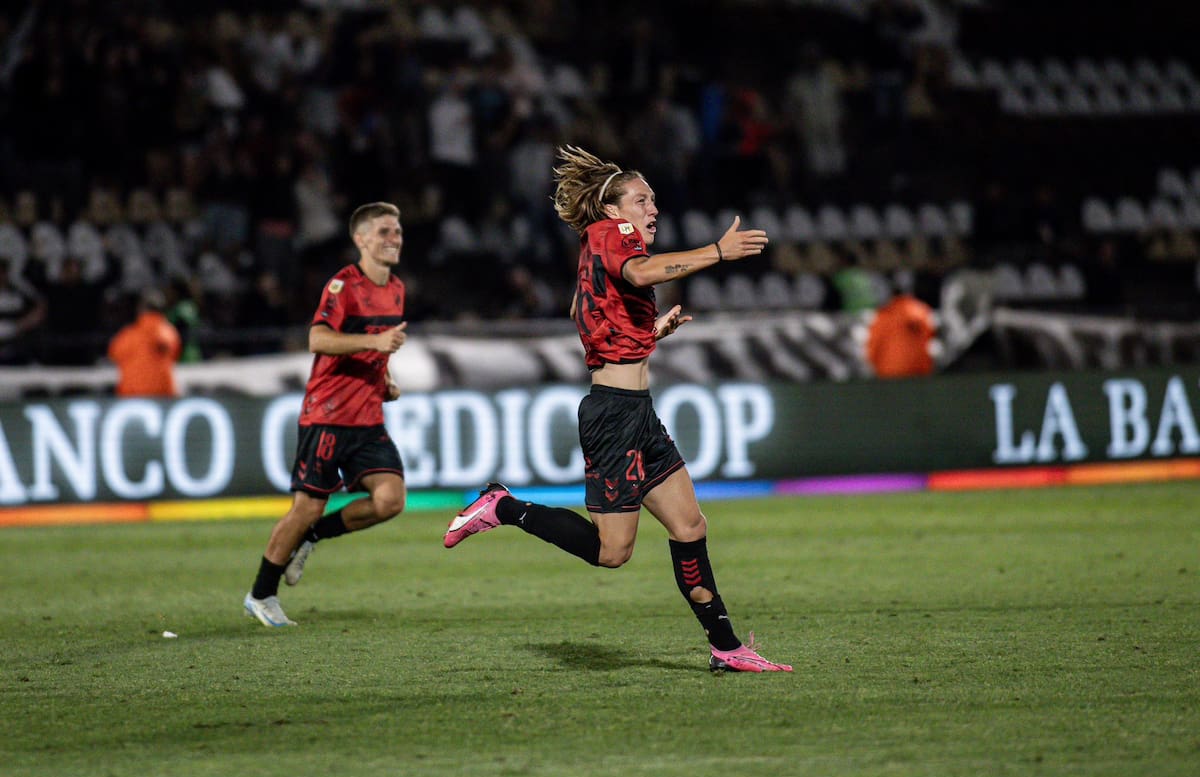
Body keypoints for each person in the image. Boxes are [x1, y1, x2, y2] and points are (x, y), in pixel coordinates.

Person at [443, 145, 791, 673]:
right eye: (641, 199)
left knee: (690, 526)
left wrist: (651, 333)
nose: (653, 209)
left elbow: (593, 317)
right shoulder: (612, 235)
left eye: (655, 201)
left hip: (637, 412)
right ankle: (503, 506)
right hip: (614, 416)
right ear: (612, 209)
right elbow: (642, 273)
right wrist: (716, 252)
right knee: (612, 551)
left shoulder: (595, 253)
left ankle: (726, 648)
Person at [243, 202, 409, 627]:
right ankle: (261, 594)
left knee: (390, 500)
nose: (394, 239)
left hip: (367, 417)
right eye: (384, 232)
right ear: (361, 239)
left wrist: (384, 376)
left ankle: (313, 539)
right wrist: (375, 347)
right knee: (305, 509)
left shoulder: (396, 289)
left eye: (397, 231)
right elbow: (318, 338)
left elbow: (377, 344)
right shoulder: (343, 285)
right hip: (327, 415)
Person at [107, 287, 182, 397]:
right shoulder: (169, 333)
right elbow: (175, 354)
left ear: (140, 310)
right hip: (163, 396)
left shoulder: (126, 335)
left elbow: (113, 355)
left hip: (131, 395)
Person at [865, 292, 936, 378]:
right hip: (918, 374)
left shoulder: (884, 315)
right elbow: (930, 338)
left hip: (888, 375)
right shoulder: (921, 310)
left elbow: (872, 350)